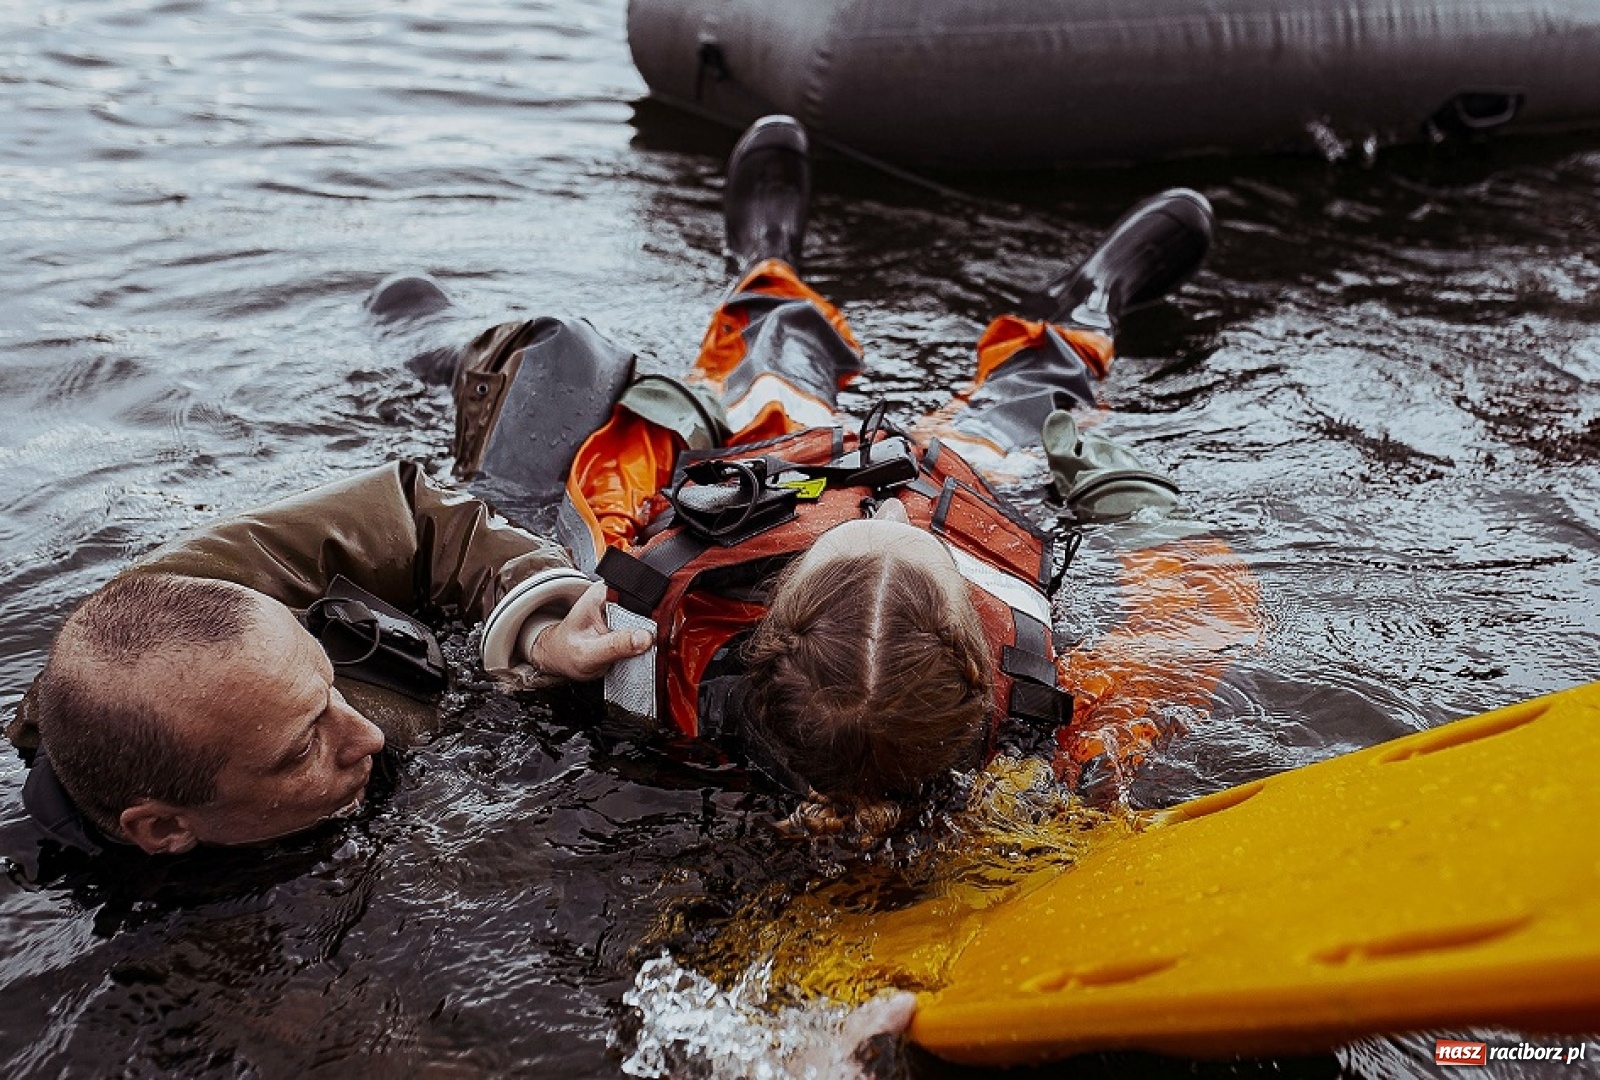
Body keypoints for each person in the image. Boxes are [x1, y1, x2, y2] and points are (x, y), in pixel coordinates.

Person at [7, 114, 1256, 856]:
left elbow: (557, 507)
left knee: (791, 378)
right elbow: (1195, 593)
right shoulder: (1076, 713)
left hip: (781, 478)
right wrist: (1113, 486)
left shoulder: (638, 648)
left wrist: (629, 465)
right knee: (1010, 413)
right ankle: (1040, 308)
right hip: (847, 481)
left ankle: (827, 279)